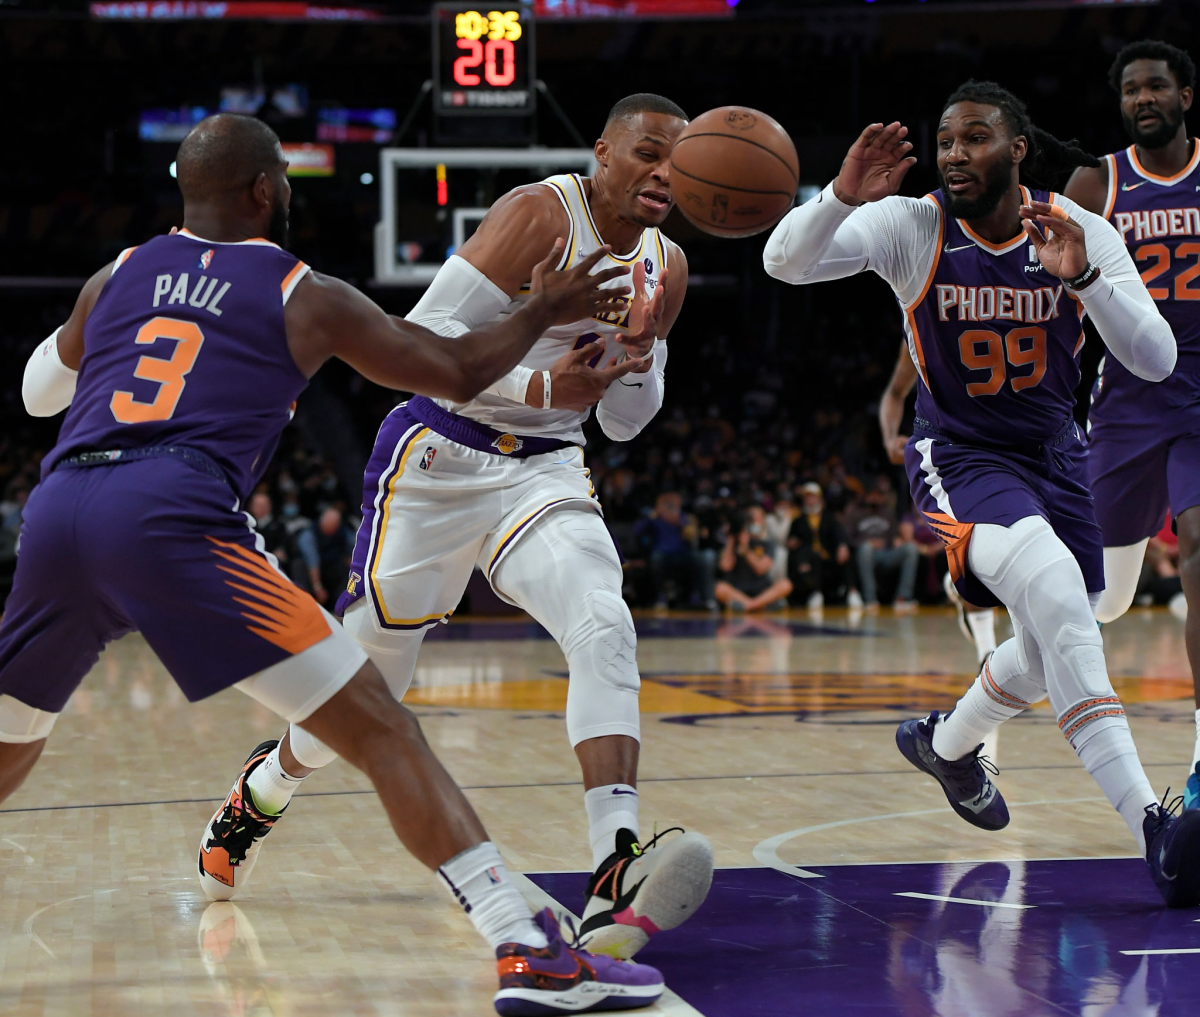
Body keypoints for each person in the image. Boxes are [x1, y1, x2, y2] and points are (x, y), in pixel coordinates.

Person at [11, 113, 664, 1015]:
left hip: (58, 510)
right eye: (282, 177)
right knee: (382, 726)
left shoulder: (114, 275)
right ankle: (526, 947)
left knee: (11, 740)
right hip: (185, 514)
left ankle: (607, 864)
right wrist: (542, 310)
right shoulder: (300, 290)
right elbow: (449, 360)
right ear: (264, 192)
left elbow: (39, 392)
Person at [206, 94, 714, 961]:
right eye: (647, 152)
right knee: (365, 696)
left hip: (543, 472)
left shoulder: (665, 264)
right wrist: (540, 387)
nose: (665, 171)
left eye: (681, 158)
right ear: (603, 151)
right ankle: (262, 788)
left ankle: (612, 865)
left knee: (603, 619)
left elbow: (627, 422)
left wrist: (642, 350)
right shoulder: (536, 216)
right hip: (440, 459)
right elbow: (421, 339)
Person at [763, 81, 1200, 905]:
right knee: (1058, 596)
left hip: (1056, 457)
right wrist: (841, 197)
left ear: (1018, 149)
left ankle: (950, 743)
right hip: (959, 454)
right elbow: (782, 261)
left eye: (975, 138)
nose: (955, 153)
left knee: (1056, 635)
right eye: (945, 140)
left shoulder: (1082, 232)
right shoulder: (912, 225)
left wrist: (1085, 283)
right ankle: (1155, 826)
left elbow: (1156, 359)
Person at [1063, 40, 1200, 807]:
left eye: (1156, 86)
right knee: (1099, 599)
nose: (1143, 99)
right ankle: (967, 726)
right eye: (1130, 90)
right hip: (1129, 405)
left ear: (1185, 93)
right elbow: (1050, 290)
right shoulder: (1098, 181)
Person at [880, 340, 998, 660]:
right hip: (948, 456)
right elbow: (894, 393)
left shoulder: (1019, 307)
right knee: (973, 544)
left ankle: (958, 580)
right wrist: (890, 437)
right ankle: (987, 653)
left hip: (1009, 444)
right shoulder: (922, 328)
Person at [844, 476, 919, 610]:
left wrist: (896, 540)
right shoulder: (855, 512)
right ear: (866, 495)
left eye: (878, 495)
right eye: (872, 494)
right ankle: (870, 599)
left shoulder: (888, 512)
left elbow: (894, 534)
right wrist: (867, 542)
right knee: (866, 548)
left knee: (911, 548)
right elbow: (849, 537)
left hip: (887, 552)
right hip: (866, 554)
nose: (875, 498)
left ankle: (902, 597)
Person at [787, 482, 850, 608]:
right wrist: (792, 542)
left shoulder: (829, 517)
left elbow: (839, 534)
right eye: (807, 497)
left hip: (828, 556)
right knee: (808, 558)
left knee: (848, 554)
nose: (810, 500)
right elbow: (791, 540)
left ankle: (852, 592)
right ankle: (816, 593)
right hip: (808, 558)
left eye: (812, 496)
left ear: (819, 498)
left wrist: (842, 546)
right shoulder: (798, 520)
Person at [715, 520, 793, 612]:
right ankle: (761, 605)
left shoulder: (766, 544)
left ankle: (748, 606)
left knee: (786, 584)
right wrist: (731, 540)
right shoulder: (731, 545)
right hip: (738, 591)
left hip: (762, 590)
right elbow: (725, 567)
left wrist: (746, 550)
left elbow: (761, 569)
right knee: (719, 588)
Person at [642, 491, 699, 608]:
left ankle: (693, 595)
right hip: (661, 553)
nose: (669, 506)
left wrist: (680, 522)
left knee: (697, 558)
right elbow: (638, 532)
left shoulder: (683, 517)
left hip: (681, 552)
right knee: (656, 558)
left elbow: (692, 536)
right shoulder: (655, 517)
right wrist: (652, 516)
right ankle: (660, 595)